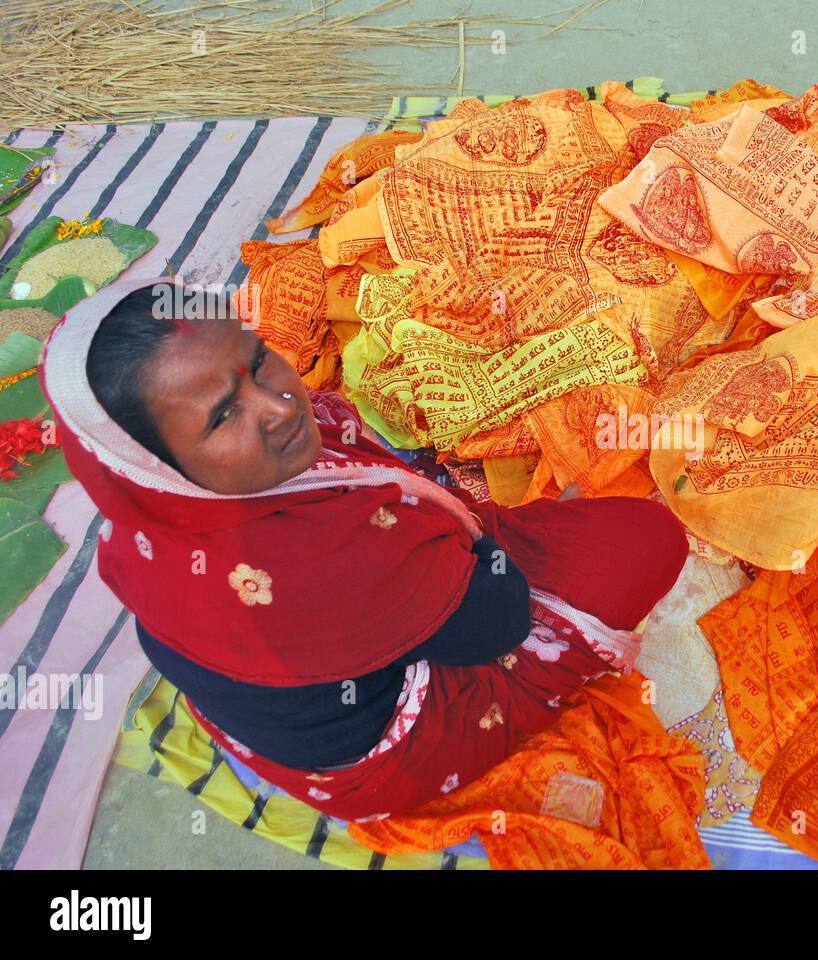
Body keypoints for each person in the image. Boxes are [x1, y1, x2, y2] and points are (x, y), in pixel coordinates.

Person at [39, 276, 688, 823]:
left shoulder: (144, 520)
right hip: (390, 755)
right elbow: (499, 624)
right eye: (221, 415)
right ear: (152, 462)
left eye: (259, 358)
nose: (280, 406)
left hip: (289, 716)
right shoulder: (319, 561)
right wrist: (472, 537)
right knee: (646, 541)